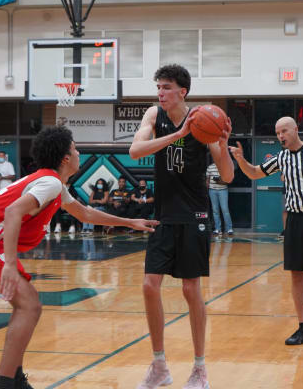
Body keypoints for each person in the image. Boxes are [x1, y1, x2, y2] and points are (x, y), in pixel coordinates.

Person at [0, 126, 158, 389]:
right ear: (65, 158)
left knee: (29, 305)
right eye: (75, 148)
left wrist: (130, 222)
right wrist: (11, 265)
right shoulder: (49, 182)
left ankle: (12, 378)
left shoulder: (53, 184)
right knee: (29, 306)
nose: (78, 152)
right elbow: (13, 212)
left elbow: (86, 214)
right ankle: (5, 383)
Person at [130, 64, 234, 389]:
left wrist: (223, 144)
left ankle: (200, 368)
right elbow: (135, 151)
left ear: (182, 92)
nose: (160, 93)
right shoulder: (153, 116)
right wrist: (176, 135)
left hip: (194, 216)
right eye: (158, 87)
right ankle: (159, 365)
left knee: (191, 290)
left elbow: (228, 176)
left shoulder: (205, 121)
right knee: (149, 286)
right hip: (163, 215)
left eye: (166, 88)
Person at [229, 116, 303, 350]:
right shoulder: (281, 158)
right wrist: (240, 159)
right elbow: (254, 173)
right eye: (277, 133)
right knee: (296, 275)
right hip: (294, 221)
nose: (280, 136)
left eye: (284, 131)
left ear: (295, 130)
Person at [206, 161, 233, 236]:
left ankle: (229, 228)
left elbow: (228, 180)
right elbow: (207, 180)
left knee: (225, 209)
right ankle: (218, 229)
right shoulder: (210, 167)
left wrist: (219, 180)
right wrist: (206, 190)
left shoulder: (225, 166)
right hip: (212, 190)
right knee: (215, 210)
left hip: (223, 190)